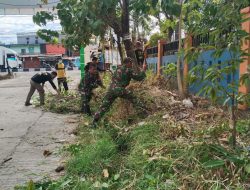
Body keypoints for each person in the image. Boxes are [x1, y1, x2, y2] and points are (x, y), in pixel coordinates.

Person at [91, 57, 147, 128]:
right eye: (131, 63)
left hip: (111, 90)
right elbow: (139, 78)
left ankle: (94, 122)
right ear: (128, 63)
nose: (132, 65)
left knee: (104, 106)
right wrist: (144, 70)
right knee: (134, 98)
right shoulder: (128, 70)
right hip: (119, 89)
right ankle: (144, 113)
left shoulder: (118, 68)